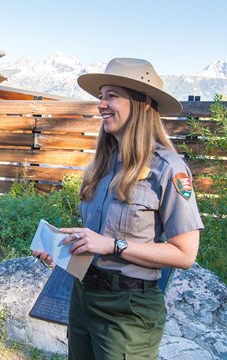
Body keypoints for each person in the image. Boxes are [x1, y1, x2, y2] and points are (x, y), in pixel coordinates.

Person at [33, 58, 204, 359]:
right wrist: (60, 251)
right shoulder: (101, 165)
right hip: (83, 297)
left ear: (143, 102)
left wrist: (113, 245)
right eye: (101, 96)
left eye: (111, 95)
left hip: (128, 312)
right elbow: (94, 241)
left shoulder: (168, 169)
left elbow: (185, 254)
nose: (101, 104)